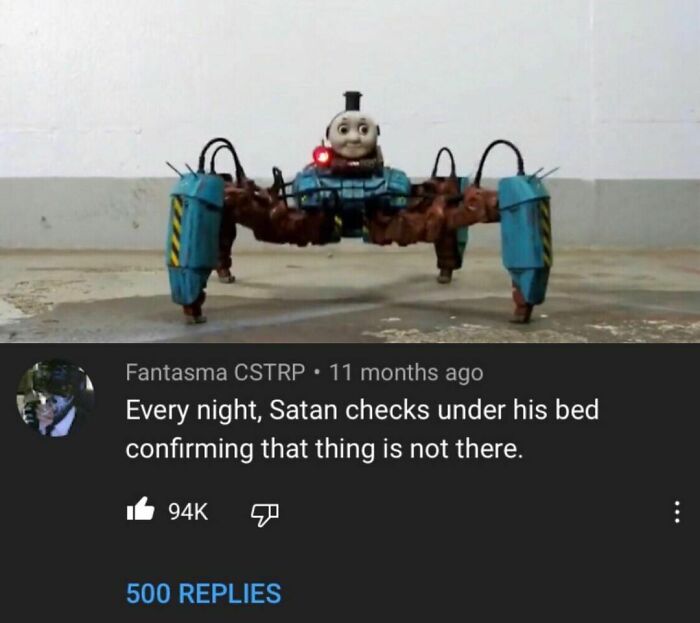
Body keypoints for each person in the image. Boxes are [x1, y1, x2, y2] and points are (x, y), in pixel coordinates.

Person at [22, 361, 90, 437]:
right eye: (40, 383)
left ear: (75, 389)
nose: (46, 396)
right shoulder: (28, 417)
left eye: (58, 386)